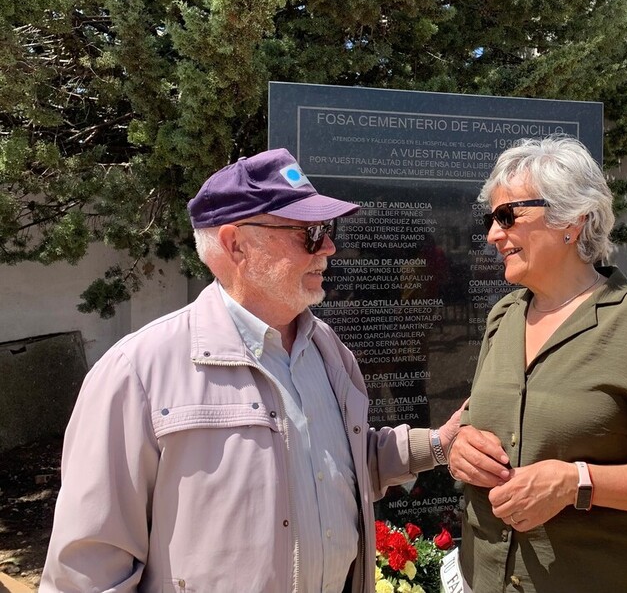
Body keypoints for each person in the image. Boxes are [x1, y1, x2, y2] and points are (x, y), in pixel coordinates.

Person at [41, 148, 460, 593]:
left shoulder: (328, 351)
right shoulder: (137, 373)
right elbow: (87, 569)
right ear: (235, 244)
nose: (330, 247)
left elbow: (340, 466)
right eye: (310, 233)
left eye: (328, 230)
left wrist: (436, 444)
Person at [446, 136, 627, 593]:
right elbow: (480, 418)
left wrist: (576, 482)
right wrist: (460, 448)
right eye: (490, 219)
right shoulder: (504, 316)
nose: (493, 233)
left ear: (572, 219)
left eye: (507, 216)